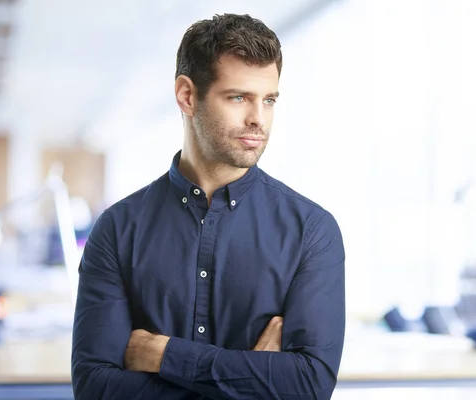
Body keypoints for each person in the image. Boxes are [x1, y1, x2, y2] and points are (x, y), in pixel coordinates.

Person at [71, 13, 346, 400]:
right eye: (238, 97)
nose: (258, 120)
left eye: (269, 100)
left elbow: (309, 385)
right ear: (187, 95)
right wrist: (253, 379)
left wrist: (162, 354)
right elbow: (96, 389)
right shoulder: (117, 229)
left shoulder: (312, 231)